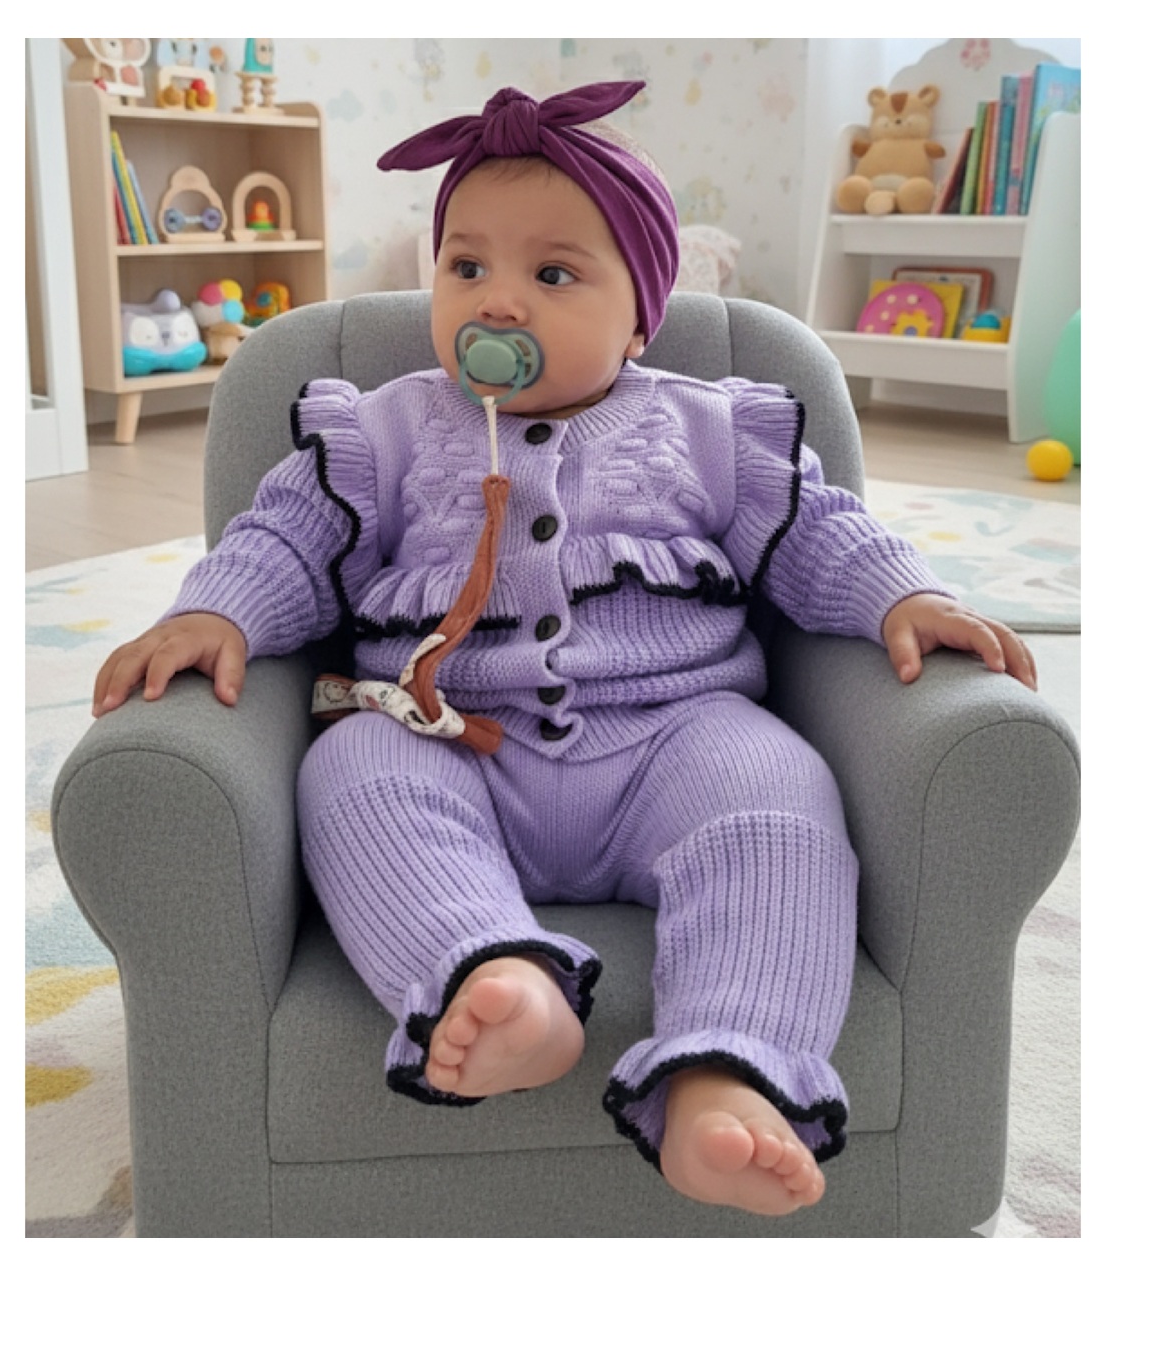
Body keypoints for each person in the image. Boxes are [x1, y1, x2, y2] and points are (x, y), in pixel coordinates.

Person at [91, 81, 1037, 1220]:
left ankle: (725, 1069)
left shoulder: (710, 426)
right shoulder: (382, 428)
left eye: (552, 275)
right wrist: (220, 613)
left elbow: (818, 532)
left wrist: (902, 594)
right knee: (351, 776)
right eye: (466, 267)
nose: (498, 300)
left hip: (675, 740)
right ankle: (494, 977)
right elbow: (286, 537)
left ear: (640, 318)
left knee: (780, 803)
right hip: (449, 739)